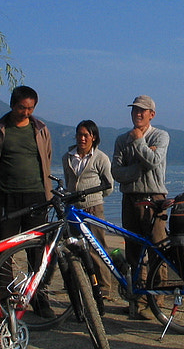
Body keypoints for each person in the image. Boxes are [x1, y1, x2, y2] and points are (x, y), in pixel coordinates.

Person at [0, 85, 54, 315]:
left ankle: (38, 297)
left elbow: (47, 157)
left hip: (36, 197)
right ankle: (3, 298)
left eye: (31, 108)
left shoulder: (40, 129)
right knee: (3, 249)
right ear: (13, 105)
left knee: (37, 251)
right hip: (5, 197)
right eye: (22, 107)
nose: (26, 112)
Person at [112, 95, 169, 318]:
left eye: (142, 111)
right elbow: (117, 172)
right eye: (135, 110)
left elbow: (155, 162)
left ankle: (157, 300)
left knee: (157, 249)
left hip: (155, 199)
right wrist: (141, 164)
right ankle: (138, 299)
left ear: (151, 114)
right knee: (133, 252)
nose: (138, 113)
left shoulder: (161, 136)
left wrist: (138, 143)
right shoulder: (120, 140)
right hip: (130, 199)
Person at [63, 120, 115, 297]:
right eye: (80, 134)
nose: (82, 138)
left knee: (97, 247)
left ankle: (105, 286)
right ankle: (81, 284)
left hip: (93, 208)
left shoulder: (100, 158)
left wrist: (95, 198)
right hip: (73, 209)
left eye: (86, 135)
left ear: (94, 137)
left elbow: (109, 186)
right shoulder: (67, 157)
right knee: (74, 246)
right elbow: (68, 180)